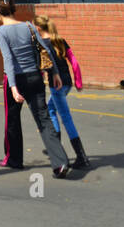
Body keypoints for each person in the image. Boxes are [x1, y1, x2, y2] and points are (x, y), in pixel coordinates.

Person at [0, 0, 71, 177]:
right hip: (35, 77)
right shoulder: (28, 26)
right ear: (14, 9)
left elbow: (8, 59)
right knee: (43, 119)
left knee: (12, 120)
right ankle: (60, 162)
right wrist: (55, 72)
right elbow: (44, 48)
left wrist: (13, 86)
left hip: (16, 80)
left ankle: (14, 159)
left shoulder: (1, 31)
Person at [34, 15, 90, 169]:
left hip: (56, 84)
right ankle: (57, 145)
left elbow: (42, 66)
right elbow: (74, 61)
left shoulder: (42, 44)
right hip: (67, 83)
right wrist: (78, 81)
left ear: (38, 28)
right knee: (51, 108)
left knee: (66, 118)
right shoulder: (59, 40)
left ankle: (81, 156)